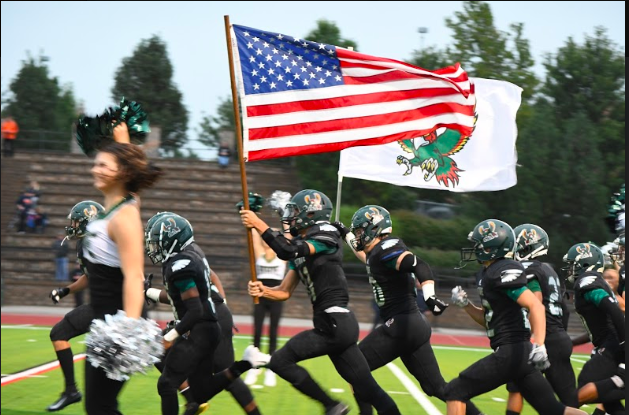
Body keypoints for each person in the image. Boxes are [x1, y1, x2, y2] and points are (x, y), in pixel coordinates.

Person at [241, 189, 401, 415]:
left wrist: (258, 223)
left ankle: (332, 405)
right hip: (337, 324)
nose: (292, 217)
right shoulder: (304, 244)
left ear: (311, 213)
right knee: (368, 389)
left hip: (333, 323)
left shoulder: (325, 234)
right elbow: (284, 291)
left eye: (296, 212)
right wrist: (264, 290)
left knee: (280, 362)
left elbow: (286, 250)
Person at [334, 205, 483, 415]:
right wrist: (346, 234)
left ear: (373, 229)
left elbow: (418, 264)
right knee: (437, 387)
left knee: (352, 367)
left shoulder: (386, 248)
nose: (358, 236)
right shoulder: (378, 253)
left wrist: (430, 296)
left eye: (360, 231)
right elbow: (367, 257)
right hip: (414, 325)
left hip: (400, 325)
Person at [443, 219, 587, 415]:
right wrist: (466, 305)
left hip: (512, 351)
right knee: (554, 410)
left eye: (478, 244)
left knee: (455, 391)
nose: (474, 248)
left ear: (491, 246)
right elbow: (488, 318)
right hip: (519, 353)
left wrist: (540, 344)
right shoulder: (491, 272)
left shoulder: (501, 270)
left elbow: (535, 304)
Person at [144, 213, 269, 415]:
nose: (154, 247)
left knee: (221, 374)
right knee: (159, 356)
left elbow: (200, 293)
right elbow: (185, 295)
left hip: (209, 316)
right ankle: (193, 399)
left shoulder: (181, 262)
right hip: (206, 316)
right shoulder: (188, 252)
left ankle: (195, 400)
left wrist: (220, 308)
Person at [81, 122, 163, 414]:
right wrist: (121, 136)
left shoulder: (124, 217)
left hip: (118, 324)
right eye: (96, 164)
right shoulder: (123, 203)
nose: (96, 169)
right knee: (100, 406)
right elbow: (130, 168)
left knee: (100, 406)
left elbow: (134, 276)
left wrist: (127, 330)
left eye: (104, 165)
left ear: (122, 173)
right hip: (105, 321)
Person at [504, 224, 579, 415]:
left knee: (518, 388)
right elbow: (565, 310)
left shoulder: (526, 269)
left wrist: (538, 339)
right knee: (568, 399)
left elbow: (535, 303)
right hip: (558, 336)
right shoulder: (549, 270)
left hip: (538, 337)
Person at [46, 200, 105, 412]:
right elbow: (89, 277)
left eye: (76, 221)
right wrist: (65, 291)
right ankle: (189, 393)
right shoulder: (85, 242)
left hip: (112, 305)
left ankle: (71, 390)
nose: (72, 225)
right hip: (105, 304)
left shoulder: (98, 243)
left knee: (59, 332)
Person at [562, 243, 625, 414]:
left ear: (584, 262)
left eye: (573, 263)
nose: (570, 268)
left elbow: (613, 310)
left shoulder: (588, 280)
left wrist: (624, 342)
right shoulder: (590, 281)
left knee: (584, 385)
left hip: (612, 344)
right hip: (609, 342)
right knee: (611, 403)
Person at [244, 229, 287, 387]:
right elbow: (254, 232)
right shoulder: (259, 252)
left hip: (276, 296)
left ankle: (271, 368)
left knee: (273, 331)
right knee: (257, 330)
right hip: (260, 297)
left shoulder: (282, 255)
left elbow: (288, 236)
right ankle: (253, 367)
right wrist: (251, 211)